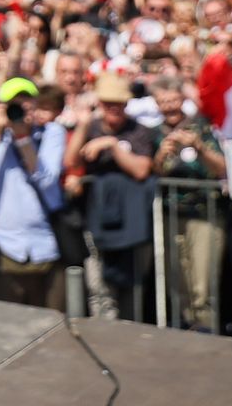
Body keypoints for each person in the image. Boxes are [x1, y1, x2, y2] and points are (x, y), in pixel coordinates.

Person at [0, 77, 68, 308]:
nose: (20, 109)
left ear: (34, 105)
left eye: (25, 102)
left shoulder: (51, 132)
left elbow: (46, 180)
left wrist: (23, 137)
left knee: (49, 326)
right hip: (3, 245)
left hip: (45, 245)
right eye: (13, 104)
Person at [70, 72, 157, 321]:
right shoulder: (91, 127)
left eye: (118, 103)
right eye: (108, 103)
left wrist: (111, 144)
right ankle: (103, 329)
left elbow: (141, 169)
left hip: (133, 220)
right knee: (99, 282)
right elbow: (70, 161)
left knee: (132, 282)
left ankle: (129, 330)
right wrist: (83, 126)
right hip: (97, 218)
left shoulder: (138, 130)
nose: (113, 108)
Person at [150, 75, 225, 332]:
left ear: (183, 100)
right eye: (163, 102)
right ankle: (184, 336)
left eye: (173, 100)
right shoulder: (155, 133)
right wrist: (160, 156)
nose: (169, 106)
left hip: (204, 215)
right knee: (177, 282)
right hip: (171, 215)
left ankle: (206, 334)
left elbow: (221, 169)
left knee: (201, 286)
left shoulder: (201, 127)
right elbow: (151, 172)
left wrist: (200, 149)